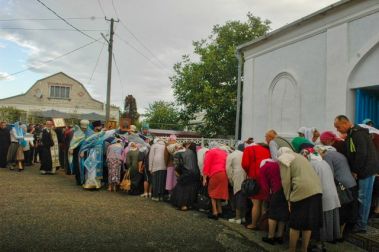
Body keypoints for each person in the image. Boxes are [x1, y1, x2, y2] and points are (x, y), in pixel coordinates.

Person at [334, 115, 379, 233]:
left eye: (338, 127)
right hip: (364, 169)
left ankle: (362, 225)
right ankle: (359, 221)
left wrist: (355, 170)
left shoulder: (357, 134)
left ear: (345, 123)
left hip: (366, 170)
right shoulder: (352, 134)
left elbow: (361, 154)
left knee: (364, 198)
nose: (337, 130)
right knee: (362, 197)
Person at [277, 147, 322, 252]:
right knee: (307, 223)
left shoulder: (284, 158)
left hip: (302, 191)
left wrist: (288, 198)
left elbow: (286, 181)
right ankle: (303, 249)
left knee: (295, 223)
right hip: (317, 190)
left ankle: (292, 249)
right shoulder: (300, 157)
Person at [315, 145, 357, 240]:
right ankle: (343, 233)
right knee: (348, 209)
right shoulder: (337, 154)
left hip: (342, 186)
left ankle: (338, 234)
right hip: (351, 183)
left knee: (341, 211)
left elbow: (329, 174)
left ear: (321, 152)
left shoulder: (327, 157)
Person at [302, 148, 341, 245]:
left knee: (322, 219)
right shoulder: (323, 162)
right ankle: (332, 237)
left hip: (323, 194)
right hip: (332, 193)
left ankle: (322, 239)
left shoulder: (312, 165)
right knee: (331, 217)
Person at [259, 159, 289, 245]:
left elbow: (264, 186)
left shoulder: (263, 168)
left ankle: (271, 237)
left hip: (276, 191)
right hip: (286, 190)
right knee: (283, 214)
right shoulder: (278, 164)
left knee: (272, 215)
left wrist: (268, 198)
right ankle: (280, 236)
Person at [241, 143, 271, 230]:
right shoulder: (267, 150)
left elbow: (245, 164)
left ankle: (253, 224)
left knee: (256, 203)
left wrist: (249, 173)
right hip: (266, 178)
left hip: (255, 179)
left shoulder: (248, 149)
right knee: (263, 203)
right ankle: (262, 225)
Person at [202, 142, 229, 220]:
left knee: (212, 193)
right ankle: (220, 211)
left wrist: (204, 178)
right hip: (224, 174)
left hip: (215, 173)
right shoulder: (223, 153)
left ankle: (215, 212)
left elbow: (206, 165)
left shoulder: (210, 152)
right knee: (218, 193)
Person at [171, 142, 200, 211]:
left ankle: (183, 205)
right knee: (191, 189)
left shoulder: (181, 153)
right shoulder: (195, 153)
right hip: (195, 173)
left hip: (186, 173)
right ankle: (189, 205)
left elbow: (179, 164)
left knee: (182, 189)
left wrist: (177, 171)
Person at [68, 120, 94, 185]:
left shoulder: (91, 133)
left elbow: (91, 144)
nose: (83, 129)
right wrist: (71, 148)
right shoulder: (77, 132)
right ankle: (78, 180)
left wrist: (84, 151)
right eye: (82, 128)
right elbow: (73, 142)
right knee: (77, 166)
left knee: (84, 166)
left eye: (85, 128)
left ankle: (85, 180)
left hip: (86, 153)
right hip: (77, 152)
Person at [226, 148, 247, 224]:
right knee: (244, 196)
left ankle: (237, 218)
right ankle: (243, 217)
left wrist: (230, 180)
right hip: (245, 174)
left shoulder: (231, 155)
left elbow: (228, 169)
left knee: (238, 196)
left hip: (237, 176)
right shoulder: (244, 154)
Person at [166, 135, 178, 199]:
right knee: (174, 181)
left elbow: (166, 157)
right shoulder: (178, 146)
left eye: (170, 140)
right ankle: (174, 195)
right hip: (176, 166)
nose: (169, 141)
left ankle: (170, 194)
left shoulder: (168, 147)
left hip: (170, 165)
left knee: (169, 180)